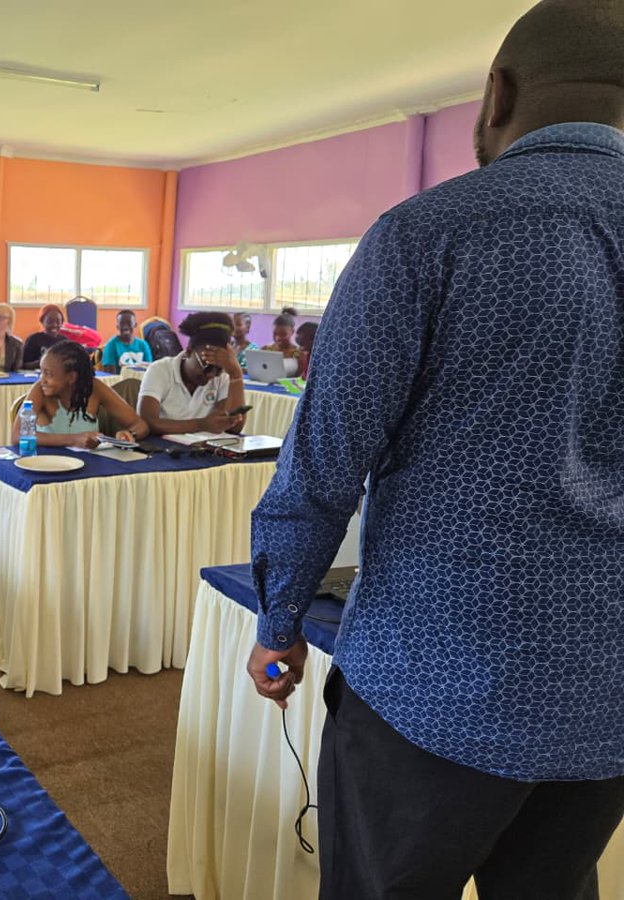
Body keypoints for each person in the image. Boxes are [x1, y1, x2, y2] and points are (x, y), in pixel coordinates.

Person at [245, 3, 624, 898]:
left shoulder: (432, 233)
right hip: (608, 701)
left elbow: (321, 467)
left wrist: (279, 622)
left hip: (438, 685)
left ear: (497, 94)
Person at [14, 340, 148, 449]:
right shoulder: (39, 391)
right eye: (41, 372)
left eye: (48, 374)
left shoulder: (94, 388)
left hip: (87, 468)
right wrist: (73, 439)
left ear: (71, 377)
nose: (42, 380)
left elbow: (140, 425)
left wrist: (130, 434)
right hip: (47, 467)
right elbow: (18, 435)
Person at [137, 312, 246, 436]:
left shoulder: (223, 377)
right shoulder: (160, 370)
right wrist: (201, 425)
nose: (211, 375)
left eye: (218, 370)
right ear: (188, 352)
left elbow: (234, 428)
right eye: (206, 366)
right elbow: (147, 422)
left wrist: (236, 375)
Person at [21, 304, 66, 369]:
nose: (54, 325)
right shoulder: (33, 340)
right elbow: (23, 365)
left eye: (58, 322)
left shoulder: (64, 341)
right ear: (42, 322)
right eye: (50, 322)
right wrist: (44, 362)